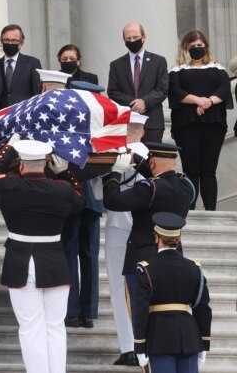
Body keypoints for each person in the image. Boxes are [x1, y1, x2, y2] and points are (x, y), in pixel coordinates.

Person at [0, 138, 84, 373]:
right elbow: (80, 200)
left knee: (30, 326)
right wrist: (66, 173)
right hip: (54, 261)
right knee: (55, 326)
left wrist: (9, 148)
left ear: (21, 165)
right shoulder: (62, 189)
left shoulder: (9, 185)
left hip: (20, 260)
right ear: (46, 163)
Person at [102, 142, 195, 320]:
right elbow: (162, 176)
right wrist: (138, 160)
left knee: (141, 316)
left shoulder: (148, 189)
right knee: (167, 311)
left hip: (142, 259)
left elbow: (112, 201)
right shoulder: (186, 186)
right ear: (174, 162)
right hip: (173, 255)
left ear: (152, 163)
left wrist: (114, 172)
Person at [132, 212, 211, 372]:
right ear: (179, 239)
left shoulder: (146, 268)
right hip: (189, 337)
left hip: (159, 336)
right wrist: (204, 342)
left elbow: (140, 310)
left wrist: (139, 344)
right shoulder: (194, 268)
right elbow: (202, 308)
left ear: (157, 237)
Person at [168, 30, 233, 210]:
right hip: (186, 126)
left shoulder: (217, 68)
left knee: (209, 171)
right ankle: (190, 212)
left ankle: (211, 212)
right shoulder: (177, 69)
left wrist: (208, 101)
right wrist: (198, 100)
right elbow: (174, 92)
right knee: (191, 171)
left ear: (206, 47)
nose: (197, 49)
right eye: (193, 46)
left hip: (214, 125)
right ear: (186, 48)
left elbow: (225, 89)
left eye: (200, 46)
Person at [103, 112, 149, 367]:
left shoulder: (144, 157)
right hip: (125, 226)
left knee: (126, 288)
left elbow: (101, 193)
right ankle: (134, 346)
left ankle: (132, 347)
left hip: (128, 226)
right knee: (127, 288)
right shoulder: (114, 154)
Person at [62, 79, 105, 330]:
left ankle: (85, 311)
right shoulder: (73, 120)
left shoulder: (102, 123)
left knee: (85, 255)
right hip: (73, 193)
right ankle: (74, 310)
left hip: (91, 195)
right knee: (74, 253)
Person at [106, 22, 169, 143]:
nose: (132, 40)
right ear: (123, 39)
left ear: (144, 37)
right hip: (126, 122)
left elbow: (163, 89)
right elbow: (113, 91)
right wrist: (134, 104)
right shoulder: (116, 65)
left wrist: (145, 102)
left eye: (135, 37)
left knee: (151, 160)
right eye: (128, 38)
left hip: (152, 123)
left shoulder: (159, 61)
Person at [0, 24, 42, 109]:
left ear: (21, 44)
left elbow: (37, 92)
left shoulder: (32, 63)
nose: (10, 43)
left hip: (24, 115)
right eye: (6, 40)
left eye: (14, 41)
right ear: (1, 42)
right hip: (1, 116)